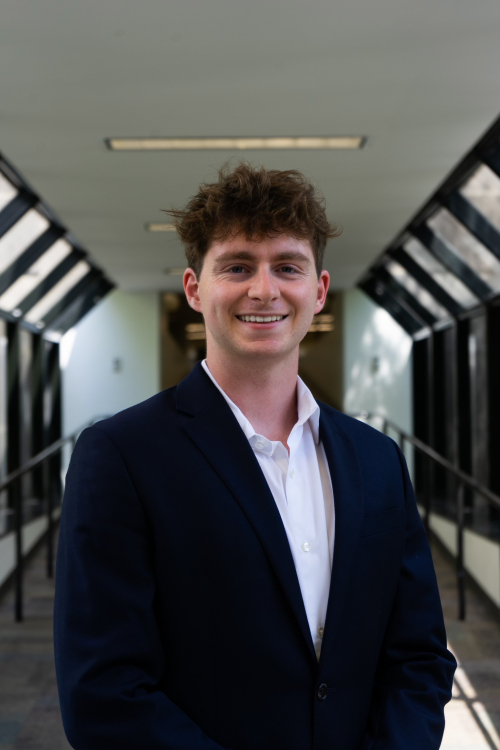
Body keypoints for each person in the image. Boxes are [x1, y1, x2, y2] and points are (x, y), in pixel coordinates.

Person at [54, 163, 456, 750]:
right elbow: (103, 692)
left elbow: (418, 657)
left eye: (287, 267)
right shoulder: (119, 456)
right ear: (195, 289)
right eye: (237, 266)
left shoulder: (377, 460)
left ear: (319, 290)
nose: (264, 289)